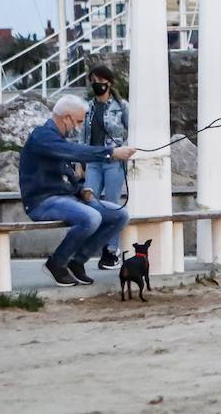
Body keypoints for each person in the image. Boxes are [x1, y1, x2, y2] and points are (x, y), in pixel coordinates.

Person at [18, 94, 137, 288]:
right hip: (42, 202)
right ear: (66, 118)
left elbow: (66, 172)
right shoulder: (42, 137)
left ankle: (77, 262)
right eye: (79, 121)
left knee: (120, 215)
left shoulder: (57, 139)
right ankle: (56, 263)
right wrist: (110, 152)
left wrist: (81, 190)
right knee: (91, 217)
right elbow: (75, 151)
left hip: (66, 198)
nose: (79, 127)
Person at [80, 65, 130, 269]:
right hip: (93, 161)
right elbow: (82, 136)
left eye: (100, 80)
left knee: (112, 205)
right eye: (93, 80)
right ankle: (89, 248)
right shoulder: (87, 108)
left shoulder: (122, 106)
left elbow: (130, 131)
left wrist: (124, 152)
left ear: (109, 82)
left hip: (114, 163)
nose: (97, 84)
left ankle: (111, 251)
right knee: (90, 202)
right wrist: (78, 163)